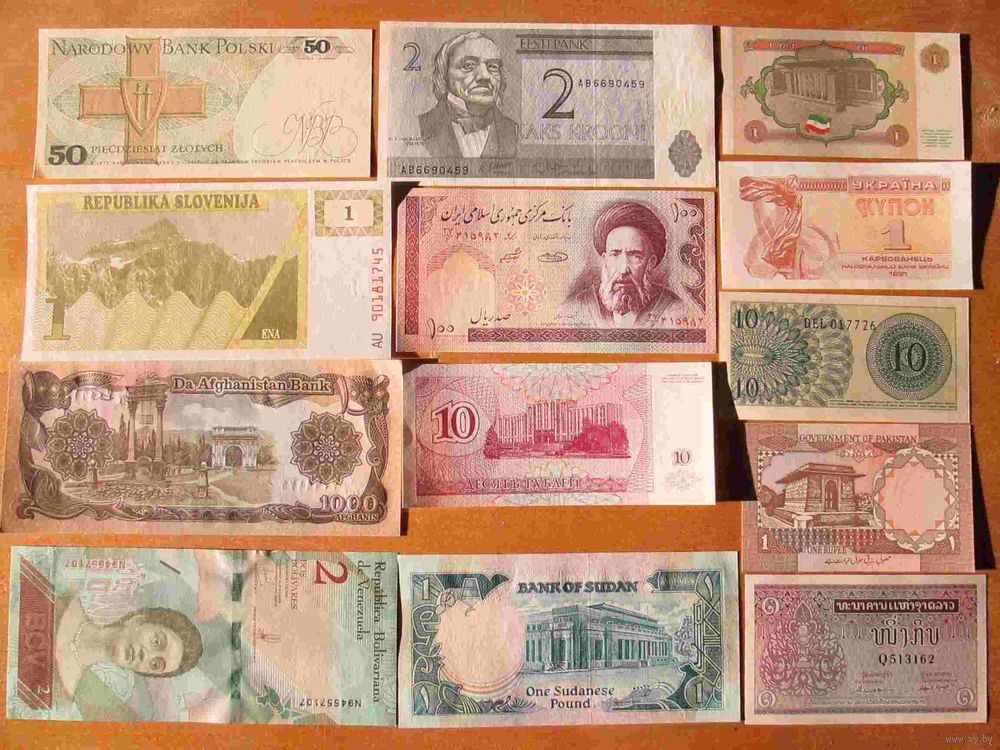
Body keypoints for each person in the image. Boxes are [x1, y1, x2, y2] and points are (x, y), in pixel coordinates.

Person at [53, 595, 204, 717]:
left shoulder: (64, 695)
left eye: (155, 664)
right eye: (156, 641)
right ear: (138, 620)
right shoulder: (66, 601)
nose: (146, 655)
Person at [562, 202, 680, 328]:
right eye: (615, 254)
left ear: (650, 263)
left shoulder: (675, 308)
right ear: (605, 261)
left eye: (635, 256)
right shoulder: (578, 306)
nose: (623, 270)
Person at [419, 32, 518, 159]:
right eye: (468, 66)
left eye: (492, 67)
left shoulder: (514, 131)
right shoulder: (419, 126)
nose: (484, 76)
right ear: (444, 76)